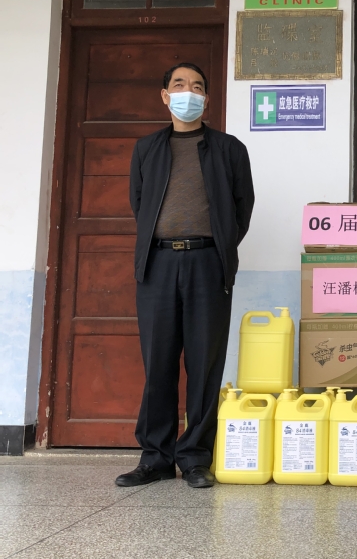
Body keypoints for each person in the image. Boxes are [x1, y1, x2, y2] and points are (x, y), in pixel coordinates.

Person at [116, 63, 255, 488]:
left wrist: (219, 246)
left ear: (206, 99)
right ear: (165, 96)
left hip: (207, 264)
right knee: (158, 363)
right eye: (179, 85)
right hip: (157, 265)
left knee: (204, 363)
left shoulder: (229, 149)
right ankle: (155, 458)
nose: (188, 92)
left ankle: (195, 457)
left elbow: (242, 207)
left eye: (197, 86)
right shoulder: (147, 149)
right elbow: (140, 204)